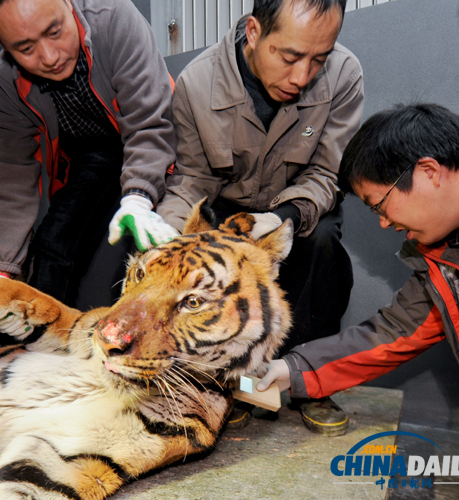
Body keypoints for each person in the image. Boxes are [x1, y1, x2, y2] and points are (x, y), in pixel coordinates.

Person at [155, 0, 363, 434]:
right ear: (253, 32)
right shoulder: (197, 83)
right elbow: (191, 179)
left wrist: (283, 216)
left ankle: (313, 382)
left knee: (323, 244)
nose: (302, 77)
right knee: (217, 280)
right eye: (289, 57)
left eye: (318, 59)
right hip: (231, 211)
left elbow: (328, 172)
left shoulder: (345, 75)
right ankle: (239, 382)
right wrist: (167, 236)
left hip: (302, 208)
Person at [257, 103, 459, 442]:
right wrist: (293, 369)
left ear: (428, 172)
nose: (384, 223)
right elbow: (397, 330)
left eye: (379, 205)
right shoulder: (447, 251)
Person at [0, 0, 178, 307]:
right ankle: (42, 342)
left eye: (55, 31)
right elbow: (11, 174)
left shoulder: (114, 19)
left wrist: (137, 198)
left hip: (153, 142)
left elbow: (150, 124)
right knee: (52, 245)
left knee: (141, 250)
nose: (50, 57)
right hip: (89, 157)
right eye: (26, 49)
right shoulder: (5, 79)